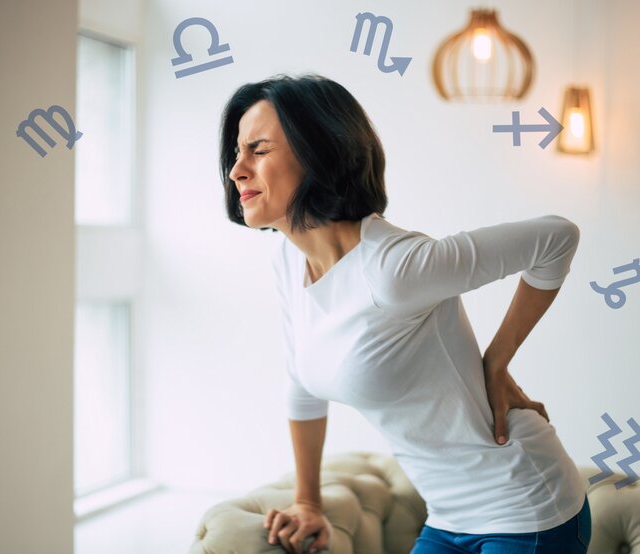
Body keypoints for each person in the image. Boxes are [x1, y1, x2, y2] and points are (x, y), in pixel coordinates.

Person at [218, 73, 591, 554]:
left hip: (526, 508)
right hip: (447, 517)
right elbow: (303, 387)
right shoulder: (290, 262)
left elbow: (556, 237)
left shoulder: (392, 267)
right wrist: (307, 503)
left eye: (259, 150)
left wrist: (497, 361)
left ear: (319, 153)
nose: (237, 171)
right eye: (236, 153)